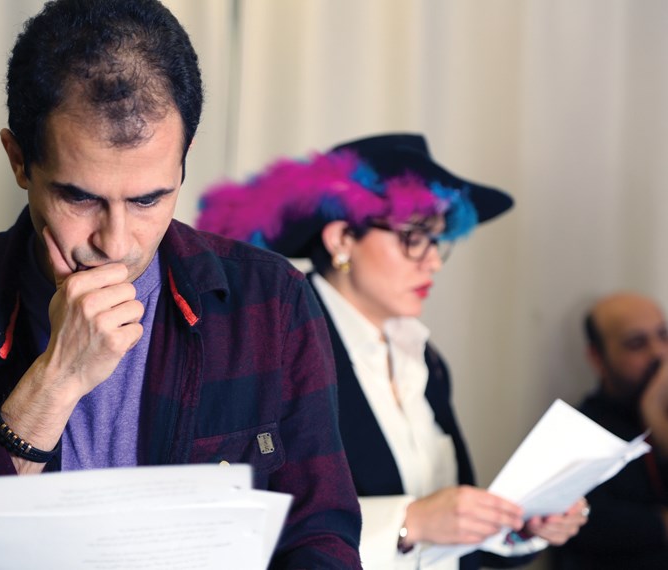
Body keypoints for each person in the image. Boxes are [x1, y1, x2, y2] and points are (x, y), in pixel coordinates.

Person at [0, 1, 362, 568]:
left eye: (148, 199)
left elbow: (320, 537)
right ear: (19, 161)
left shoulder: (271, 301)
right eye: (80, 197)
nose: (116, 243)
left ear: (183, 164)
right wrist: (54, 384)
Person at [196, 133, 588, 569]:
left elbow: (446, 538)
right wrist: (407, 523)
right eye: (414, 236)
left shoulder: (423, 358)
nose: (433, 261)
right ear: (342, 239)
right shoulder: (276, 347)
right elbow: (243, 525)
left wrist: (518, 525)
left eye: (437, 240)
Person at [552, 292, 668, 569]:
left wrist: (655, 415)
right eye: (636, 344)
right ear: (597, 356)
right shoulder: (578, 432)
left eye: (663, 336)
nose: (658, 353)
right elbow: (598, 526)